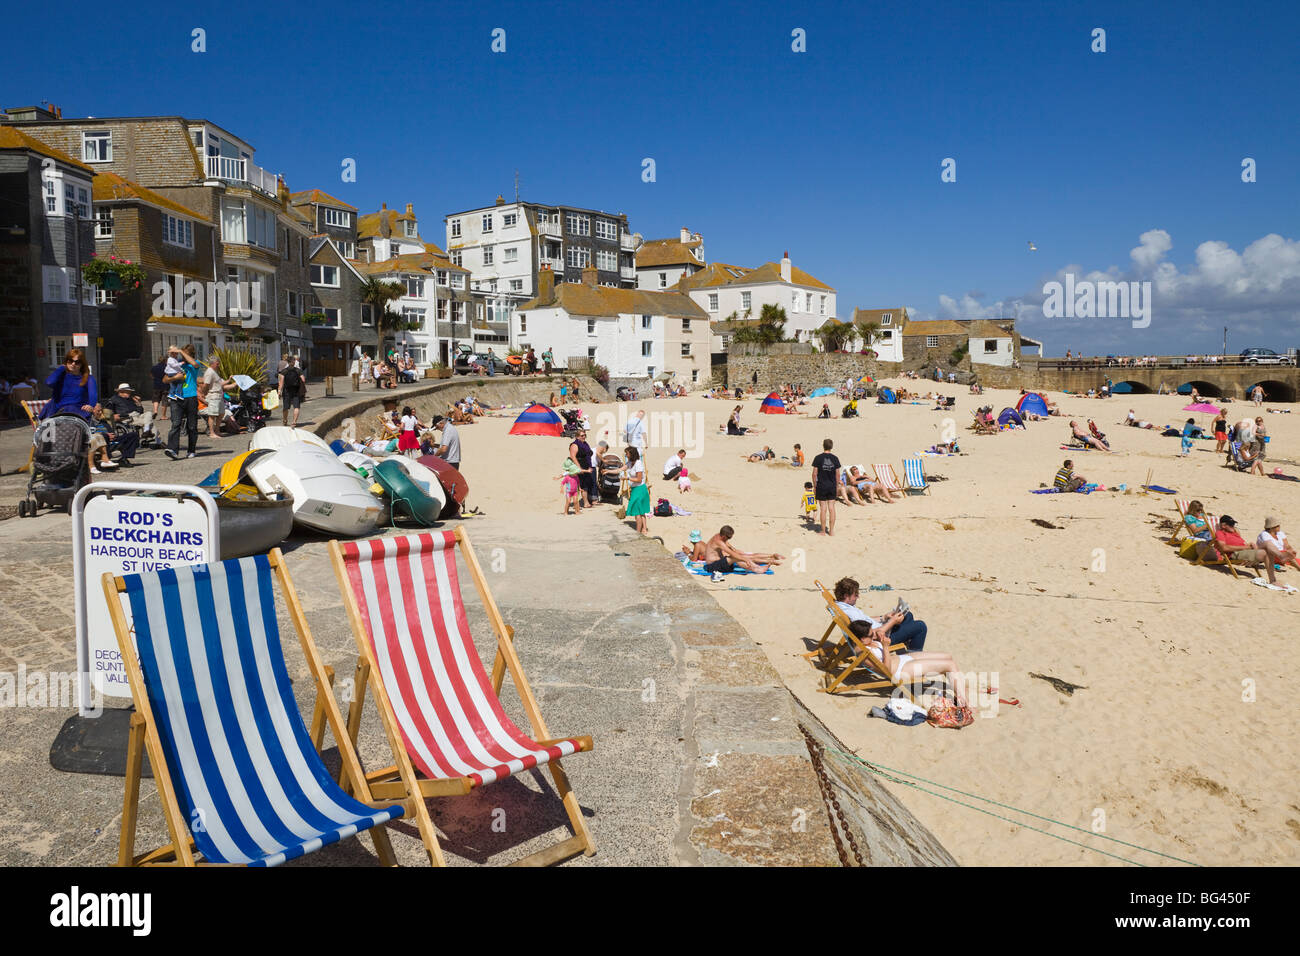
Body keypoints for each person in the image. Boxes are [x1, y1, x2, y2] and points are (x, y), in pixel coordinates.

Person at [833, 577, 927, 651]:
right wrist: (892, 621)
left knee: (907, 615)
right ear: (846, 596)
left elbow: (865, 620)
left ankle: (906, 644)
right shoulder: (851, 613)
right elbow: (871, 635)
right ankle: (913, 657)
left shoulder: (843, 606)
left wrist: (884, 617)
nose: (858, 597)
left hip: (881, 629)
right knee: (920, 626)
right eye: (855, 594)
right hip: (882, 638)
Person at [1205, 515, 1283, 586]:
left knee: (1267, 544)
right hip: (1235, 554)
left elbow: (1243, 543)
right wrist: (1246, 547)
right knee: (1266, 553)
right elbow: (1224, 548)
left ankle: (1281, 556)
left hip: (1247, 550)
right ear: (1223, 525)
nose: (1233, 526)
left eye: (1234, 524)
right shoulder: (1220, 533)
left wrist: (1250, 545)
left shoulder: (1234, 532)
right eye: (1231, 524)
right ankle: (1273, 580)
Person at [701, 525, 782, 580]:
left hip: (720, 564)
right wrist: (745, 559)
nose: (729, 539)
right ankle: (758, 569)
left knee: (738, 556)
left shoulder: (719, 536)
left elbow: (730, 548)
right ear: (723, 536)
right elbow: (732, 553)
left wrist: (735, 550)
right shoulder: (719, 542)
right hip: (712, 567)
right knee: (735, 557)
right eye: (728, 537)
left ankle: (763, 564)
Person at [165, 344, 201, 459]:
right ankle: (173, 450)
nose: (182, 356)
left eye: (185, 354)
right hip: (177, 397)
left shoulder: (194, 364)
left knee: (192, 426)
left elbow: (194, 364)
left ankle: (191, 450)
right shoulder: (175, 365)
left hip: (191, 397)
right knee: (175, 424)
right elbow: (165, 379)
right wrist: (174, 378)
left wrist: (181, 350)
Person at [42, 348, 99, 420]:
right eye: (70, 361)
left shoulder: (88, 378)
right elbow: (49, 382)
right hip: (58, 413)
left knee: (71, 409)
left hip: (78, 413)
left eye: (77, 362)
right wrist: (62, 368)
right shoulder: (61, 376)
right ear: (66, 361)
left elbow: (93, 395)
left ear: (82, 364)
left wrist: (91, 405)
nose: (73, 364)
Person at [811, 438, 841, 536]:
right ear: (831, 447)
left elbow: (814, 474)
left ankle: (823, 531)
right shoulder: (835, 458)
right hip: (832, 485)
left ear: (823, 445)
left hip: (822, 486)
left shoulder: (818, 458)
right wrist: (836, 486)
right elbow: (837, 474)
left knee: (823, 508)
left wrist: (815, 486)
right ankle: (831, 531)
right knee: (831, 508)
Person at [200, 355, 232, 439]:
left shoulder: (214, 372)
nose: (219, 365)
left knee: (221, 413)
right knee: (212, 415)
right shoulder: (209, 372)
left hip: (219, 395)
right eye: (217, 364)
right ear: (212, 363)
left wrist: (228, 380)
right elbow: (206, 384)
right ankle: (212, 432)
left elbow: (219, 384)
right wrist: (203, 393)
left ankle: (217, 430)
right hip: (213, 396)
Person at [623, 445, 650, 534]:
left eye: (627, 453)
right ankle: (644, 529)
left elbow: (639, 479)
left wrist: (627, 479)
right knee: (641, 510)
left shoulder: (638, 464)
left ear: (631, 454)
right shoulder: (630, 463)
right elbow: (620, 469)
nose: (626, 455)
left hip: (640, 489)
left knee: (637, 512)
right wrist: (608, 471)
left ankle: (638, 532)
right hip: (636, 489)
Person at [570, 428, 596, 507]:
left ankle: (587, 501)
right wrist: (579, 468)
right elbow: (573, 457)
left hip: (587, 465)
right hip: (580, 466)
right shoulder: (574, 445)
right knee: (583, 485)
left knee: (587, 483)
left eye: (585, 435)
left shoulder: (585, 444)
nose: (584, 437)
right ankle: (585, 503)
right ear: (577, 436)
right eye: (582, 435)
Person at [278, 355, 306, 427]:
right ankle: (294, 422)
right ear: (294, 362)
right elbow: (303, 380)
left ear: (287, 362)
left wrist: (279, 391)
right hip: (296, 390)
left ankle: (285, 420)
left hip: (287, 390)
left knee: (286, 407)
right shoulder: (298, 370)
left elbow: (281, 383)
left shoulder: (284, 371)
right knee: (296, 407)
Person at [149, 354, 169, 421]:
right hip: (165, 386)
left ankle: (155, 411)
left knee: (156, 399)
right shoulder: (167, 367)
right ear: (165, 360)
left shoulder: (154, 367)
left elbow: (151, 375)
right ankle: (163, 416)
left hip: (156, 385)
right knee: (164, 401)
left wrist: (155, 379)